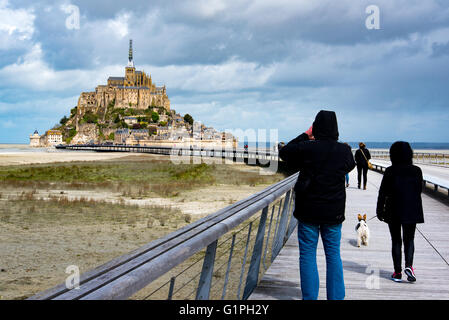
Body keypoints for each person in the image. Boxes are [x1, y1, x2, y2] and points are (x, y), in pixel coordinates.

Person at [279, 110, 355, 300]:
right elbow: (350, 165)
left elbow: (284, 152)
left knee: (307, 255)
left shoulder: (306, 148)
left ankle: (310, 297)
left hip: (308, 211)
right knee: (333, 255)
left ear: (316, 127)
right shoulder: (344, 151)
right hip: (334, 213)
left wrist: (306, 134)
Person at [376, 141, 424, 282]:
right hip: (412, 209)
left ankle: (397, 273)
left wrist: (379, 210)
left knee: (396, 240)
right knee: (409, 239)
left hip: (393, 209)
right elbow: (418, 190)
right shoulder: (417, 170)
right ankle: (409, 266)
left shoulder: (391, 171)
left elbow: (382, 193)